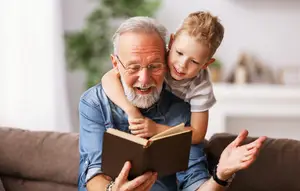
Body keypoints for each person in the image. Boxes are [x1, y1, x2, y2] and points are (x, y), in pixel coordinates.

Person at [78, 16, 266, 191]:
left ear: (165, 59)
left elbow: (194, 181)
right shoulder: (94, 103)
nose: (144, 80)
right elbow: (93, 173)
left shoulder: (185, 107)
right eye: (134, 67)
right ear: (116, 64)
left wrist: (221, 174)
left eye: (155, 66)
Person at [102, 11, 222, 144]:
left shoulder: (200, 87)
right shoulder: (156, 57)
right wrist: (132, 112)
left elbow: (198, 134)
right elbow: (108, 78)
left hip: (171, 125)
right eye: (179, 53)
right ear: (171, 43)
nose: (182, 65)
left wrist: (157, 129)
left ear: (206, 64)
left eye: (194, 61)